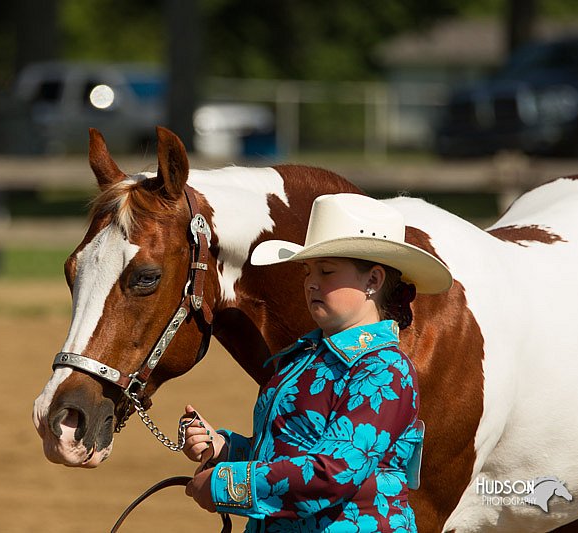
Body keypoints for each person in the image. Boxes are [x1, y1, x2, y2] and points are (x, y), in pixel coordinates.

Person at [181, 193, 453, 532]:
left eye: (326, 271)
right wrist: (226, 449)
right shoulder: (304, 358)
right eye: (308, 271)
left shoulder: (385, 370)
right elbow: (288, 454)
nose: (311, 282)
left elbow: (334, 472)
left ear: (373, 281)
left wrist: (225, 485)